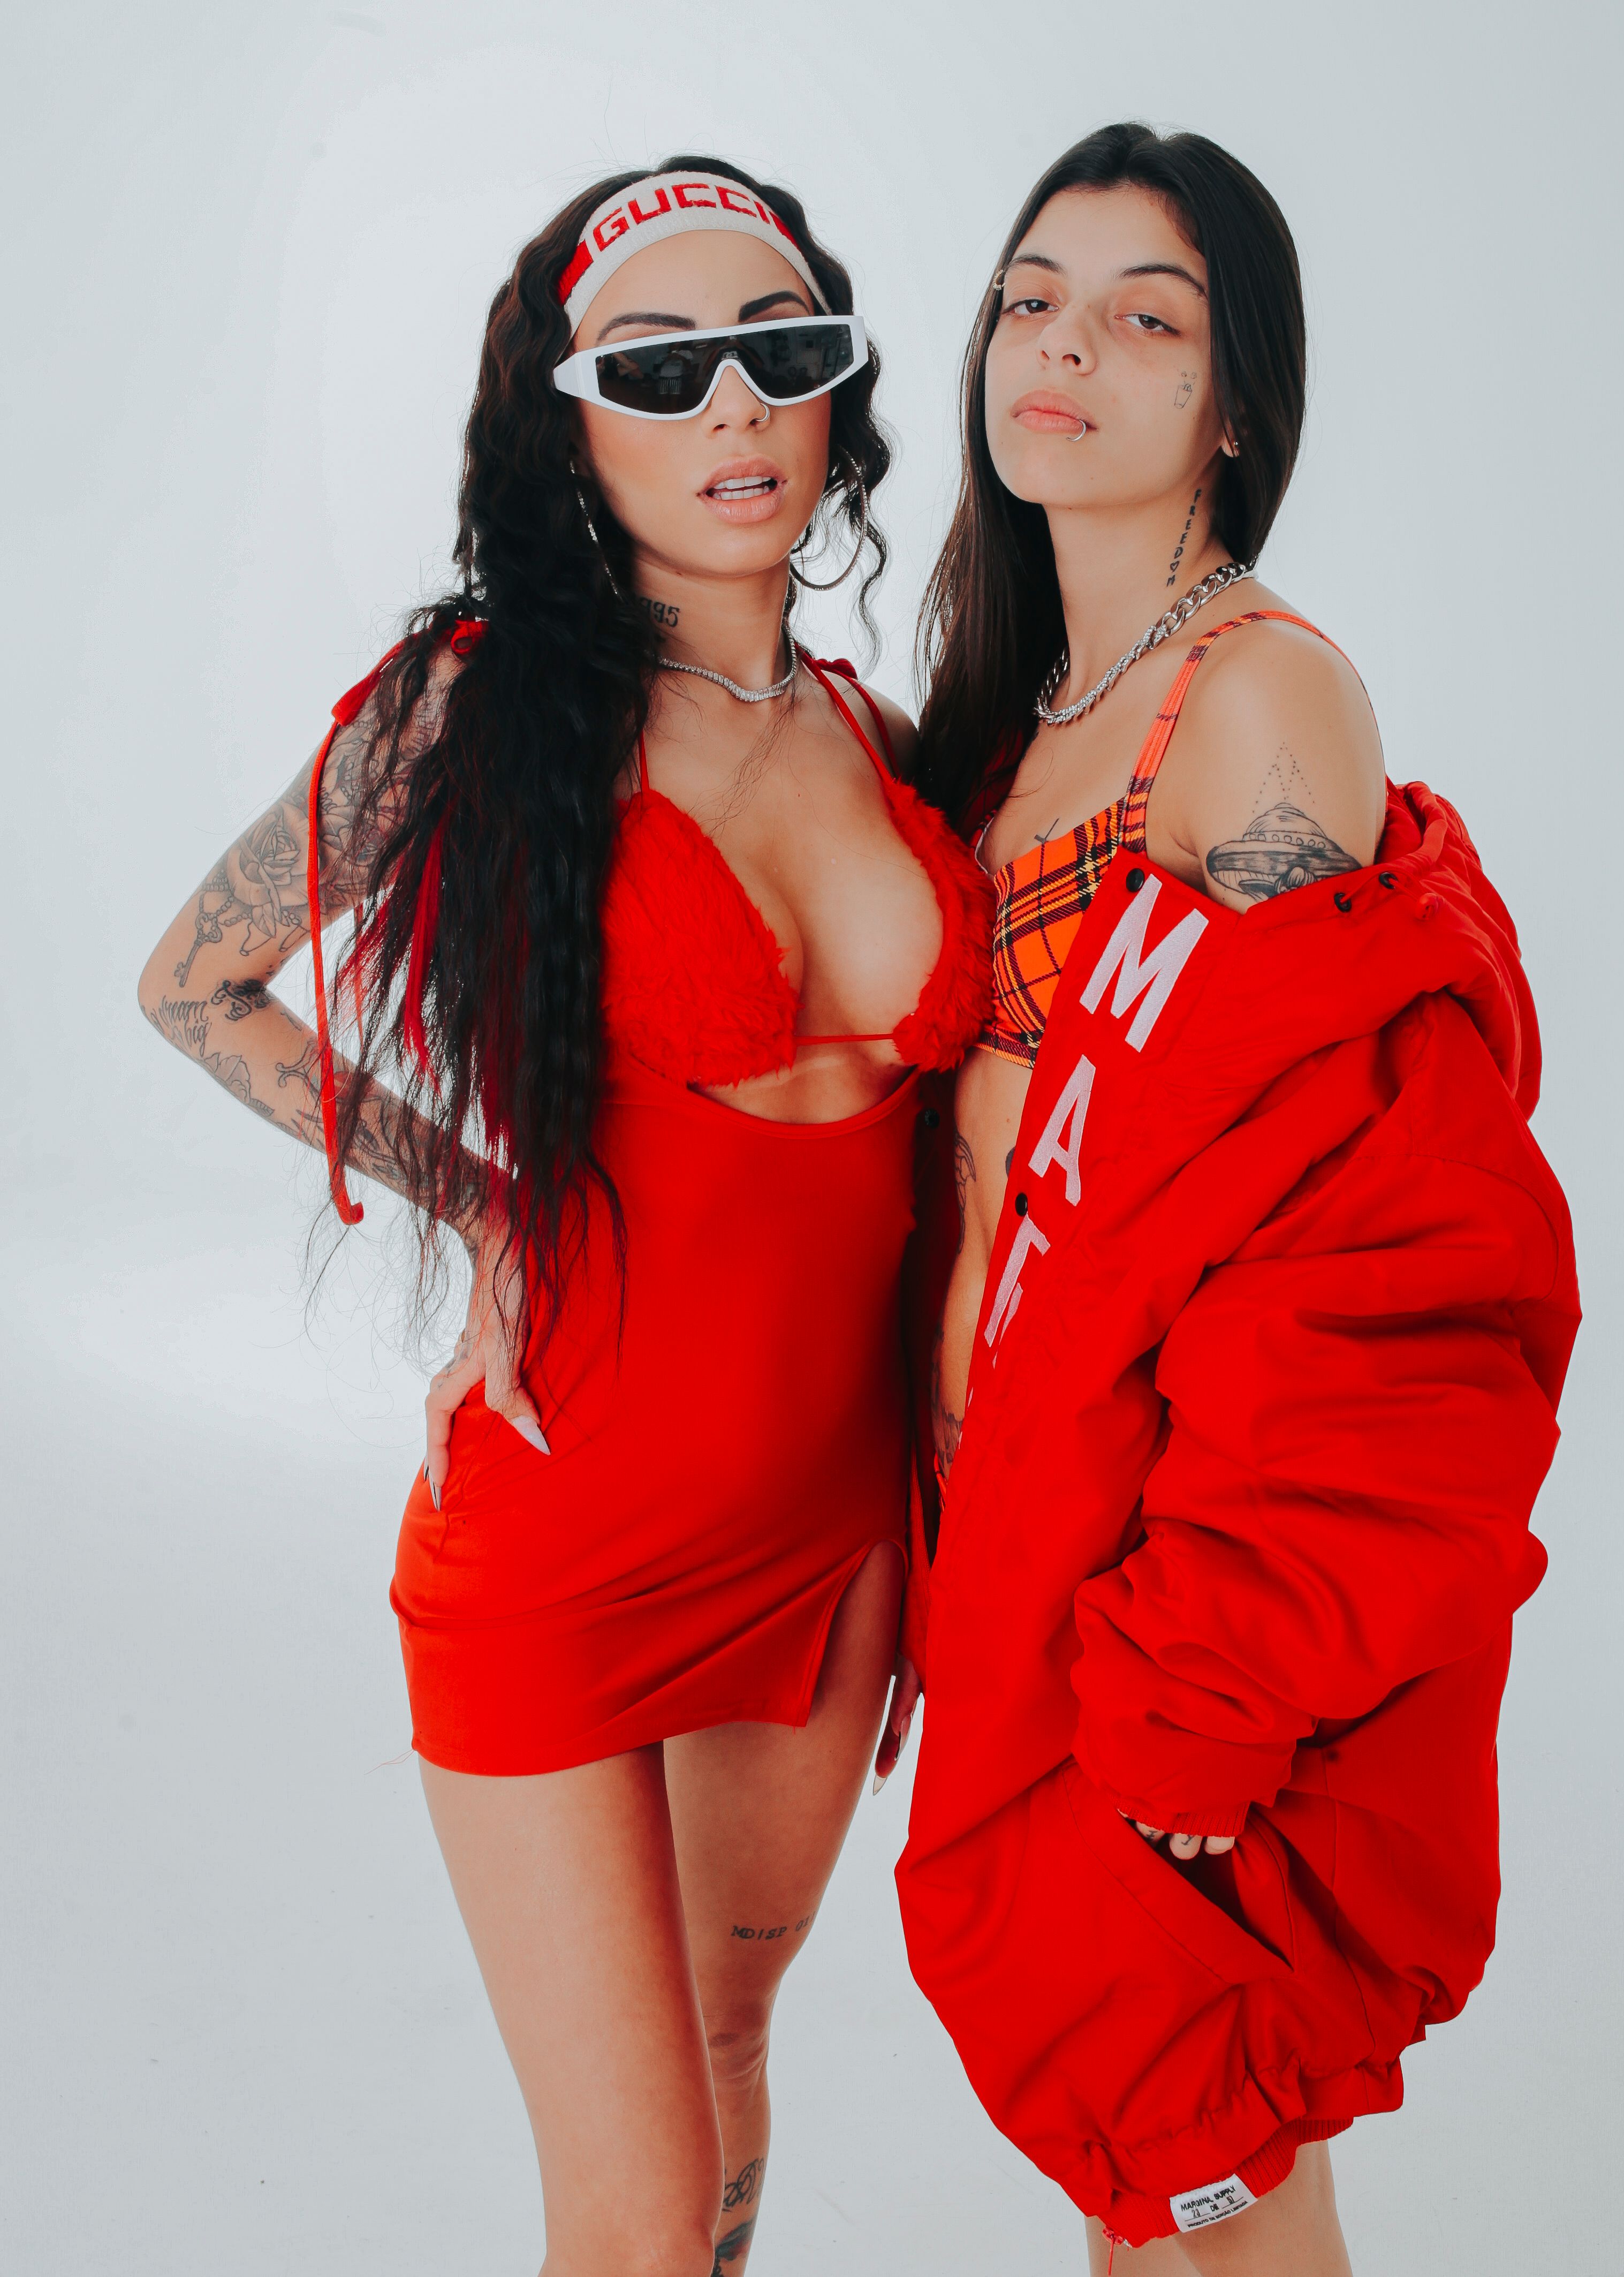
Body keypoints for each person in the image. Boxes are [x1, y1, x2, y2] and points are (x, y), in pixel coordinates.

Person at [138, 157, 989, 2276]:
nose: (733, 407)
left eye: (780, 351)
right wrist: (489, 1200)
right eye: (657, 368)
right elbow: (196, 983)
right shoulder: (476, 704)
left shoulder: (886, 742)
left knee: (731, 2044)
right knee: (629, 2212)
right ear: (568, 423)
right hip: (561, 1526)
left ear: (838, 395)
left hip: (832, 1542)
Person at [895, 123, 1580, 2274]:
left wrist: (1207, 1681)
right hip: (1014, 1531)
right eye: (1031, 300)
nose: (1062, 348)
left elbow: (1362, 1250)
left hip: (1171, 1584)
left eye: (1142, 317)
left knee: (1219, 2160)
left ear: (1234, 406)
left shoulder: (1256, 706)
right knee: (1141, 2148)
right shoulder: (1014, 711)